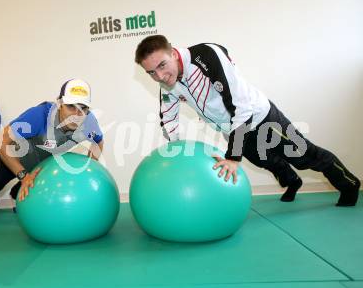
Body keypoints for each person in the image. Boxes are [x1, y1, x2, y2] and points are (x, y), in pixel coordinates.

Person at [134, 35, 360, 206]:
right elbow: (169, 115)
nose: (160, 76)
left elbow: (240, 106)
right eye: (151, 73)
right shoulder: (167, 82)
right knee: (265, 161)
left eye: (161, 65)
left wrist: (233, 157)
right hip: (232, 129)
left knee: (303, 155)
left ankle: (349, 184)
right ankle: (293, 182)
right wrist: (175, 147)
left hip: (261, 117)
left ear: (173, 53)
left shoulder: (207, 57)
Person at [0, 79, 104, 220]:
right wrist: (23, 175)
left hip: (44, 163)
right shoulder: (40, 115)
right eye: (71, 106)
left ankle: (15, 193)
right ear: (60, 103)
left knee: (35, 184)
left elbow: (99, 142)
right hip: (15, 159)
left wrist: (90, 166)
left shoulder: (89, 122)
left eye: (83, 108)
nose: (77, 115)